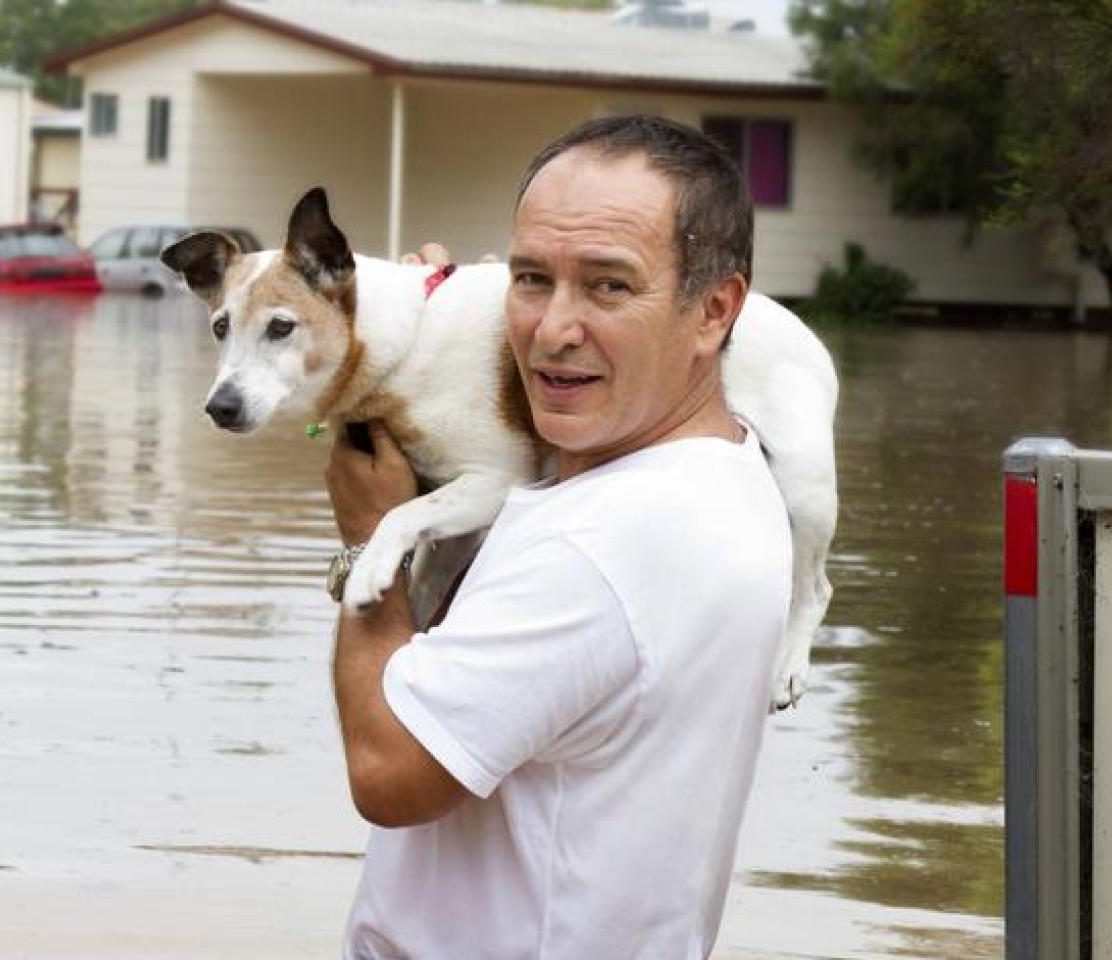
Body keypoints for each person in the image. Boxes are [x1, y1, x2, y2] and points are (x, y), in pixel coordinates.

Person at [323, 114, 793, 959]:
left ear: (714, 310)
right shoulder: (727, 471)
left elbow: (389, 774)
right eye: (531, 277)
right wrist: (433, 354)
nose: (551, 328)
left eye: (609, 286)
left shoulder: (602, 545)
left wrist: (367, 545)